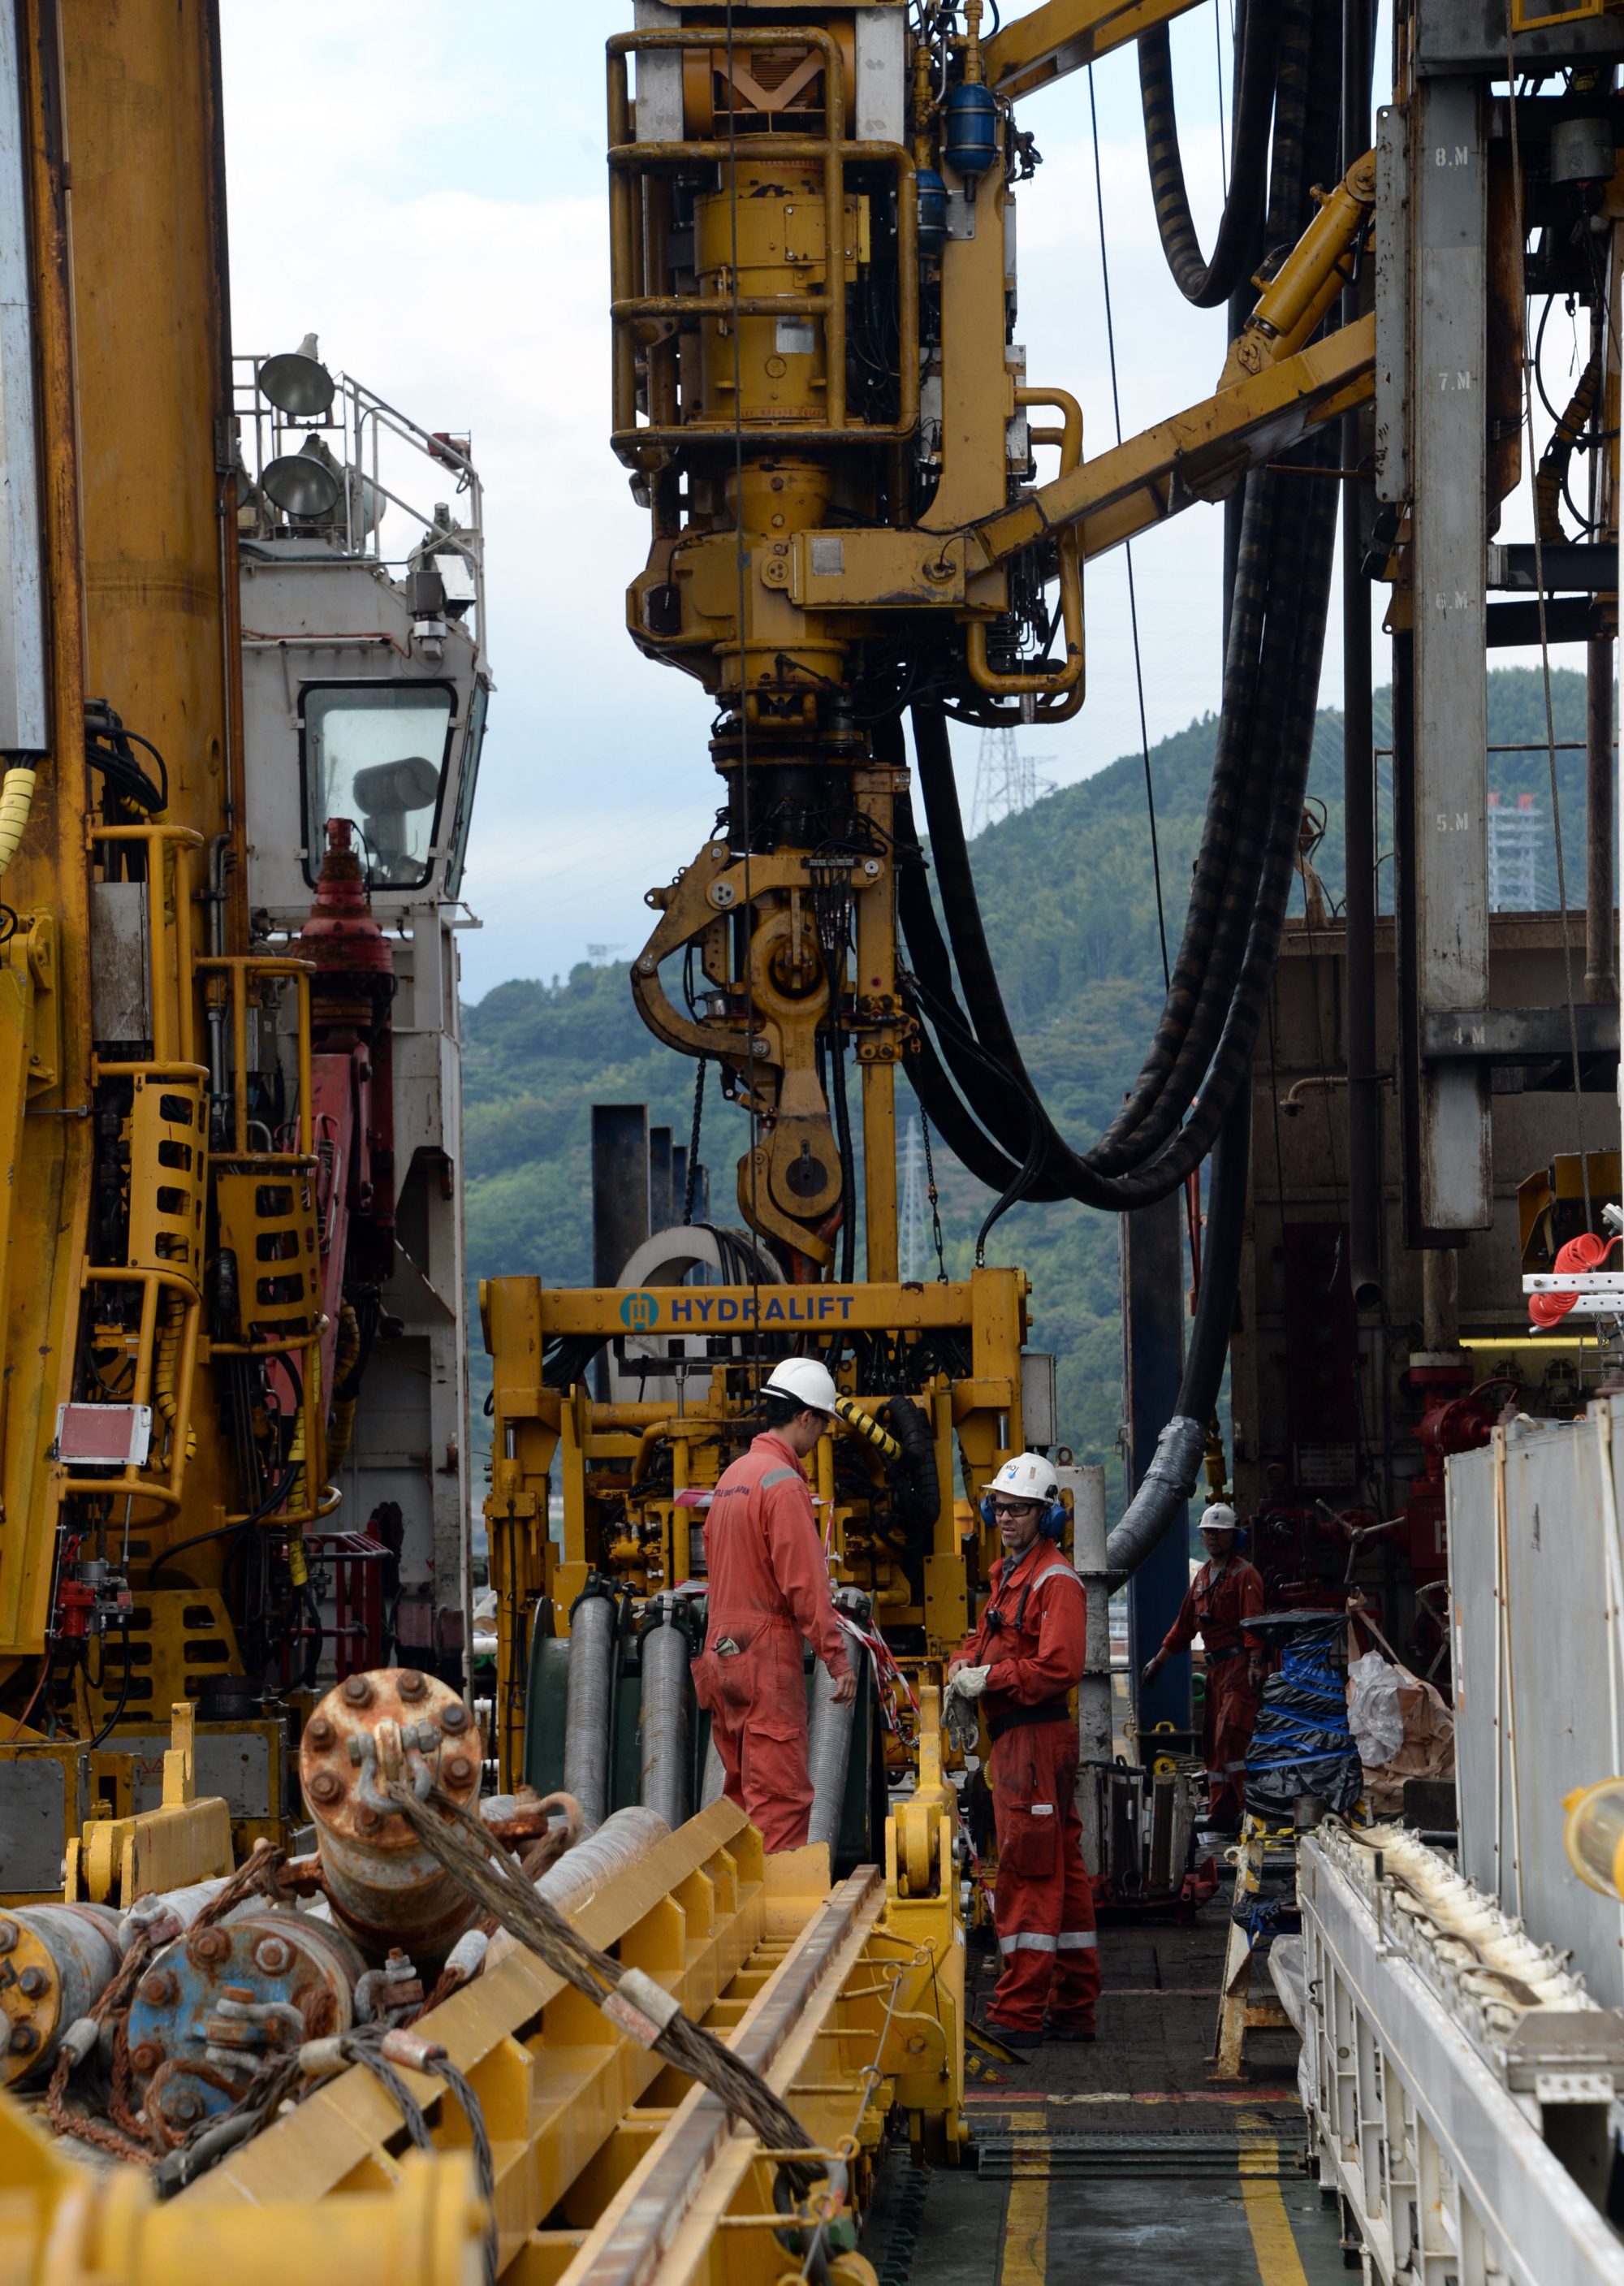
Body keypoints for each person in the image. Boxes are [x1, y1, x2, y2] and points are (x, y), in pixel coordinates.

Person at [948, 1452, 1099, 2049]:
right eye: (1001, 1507)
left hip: (1034, 1738)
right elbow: (987, 1637)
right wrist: (965, 1662)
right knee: (1062, 1866)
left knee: (1029, 1871)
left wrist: (990, 1679)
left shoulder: (1054, 1580)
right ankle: (1072, 2006)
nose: (1006, 1517)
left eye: (1020, 1509)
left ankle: (1018, 2009)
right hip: (1022, 1740)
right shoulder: (1010, 1574)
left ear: (1047, 1515)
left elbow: (1058, 1665)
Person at [691, 1357, 857, 1852]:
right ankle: (777, 1923)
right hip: (766, 1655)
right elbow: (805, 1583)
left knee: (742, 1796)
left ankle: (739, 1909)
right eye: (823, 1425)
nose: (821, 1437)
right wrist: (836, 1656)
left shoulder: (732, 1478)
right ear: (805, 1417)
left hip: (722, 1653)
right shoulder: (783, 1484)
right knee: (780, 1800)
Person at [1141, 1502, 1265, 1833]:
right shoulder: (1202, 1580)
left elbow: (1253, 1621)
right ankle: (1221, 1812)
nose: (1212, 1538)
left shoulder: (1244, 1575)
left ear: (1233, 1536)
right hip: (1216, 1672)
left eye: (1219, 1533)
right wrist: (1158, 1662)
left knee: (1231, 1736)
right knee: (1212, 1743)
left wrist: (1255, 1662)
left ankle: (1248, 1809)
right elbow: (1183, 1628)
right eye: (1208, 1532)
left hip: (1240, 1666)